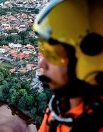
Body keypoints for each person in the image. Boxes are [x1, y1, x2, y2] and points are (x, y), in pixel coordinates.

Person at [33, 0, 103, 131]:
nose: (41, 64)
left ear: (89, 61)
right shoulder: (59, 106)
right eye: (43, 50)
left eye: (53, 54)